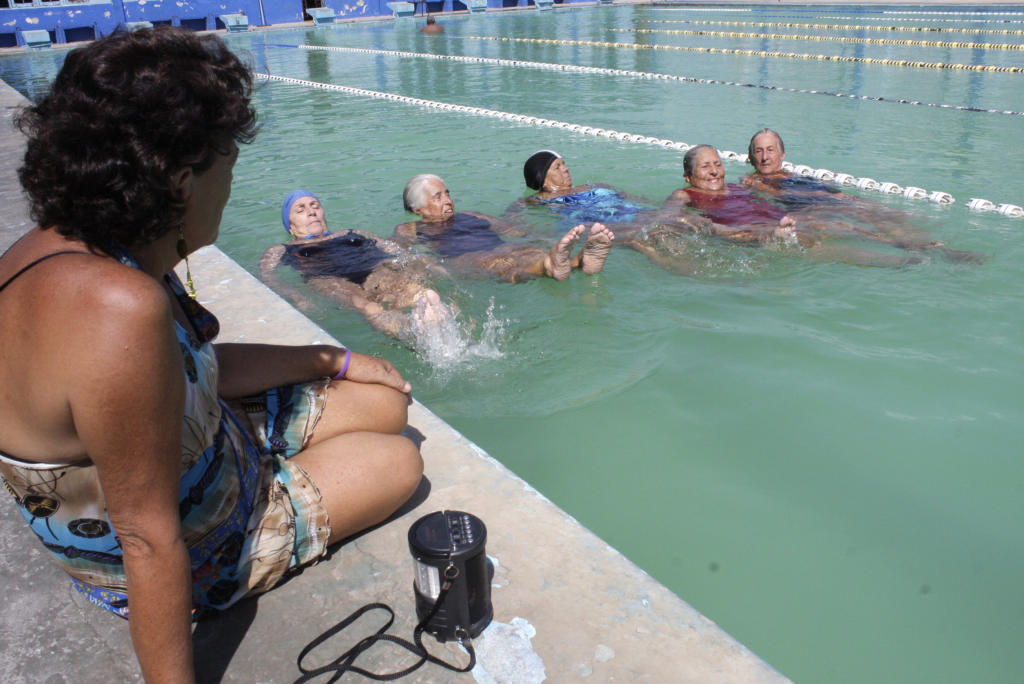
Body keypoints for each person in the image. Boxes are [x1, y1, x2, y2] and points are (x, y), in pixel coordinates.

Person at [0, 27, 422, 681]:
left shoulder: (88, 246)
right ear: (179, 177)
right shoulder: (118, 308)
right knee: (396, 460)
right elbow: (147, 535)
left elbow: (185, 370)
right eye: (227, 158)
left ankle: (295, 449)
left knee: (383, 400)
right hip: (197, 538)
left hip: (205, 447)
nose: (231, 177)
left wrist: (329, 360)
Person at [260, 190, 454, 343]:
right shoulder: (281, 249)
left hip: (374, 270)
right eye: (300, 210)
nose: (311, 212)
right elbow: (267, 276)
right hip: (329, 279)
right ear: (290, 226)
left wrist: (425, 262)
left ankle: (432, 320)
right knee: (369, 307)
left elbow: (391, 247)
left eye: (315, 206)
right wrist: (297, 297)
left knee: (414, 291)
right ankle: (412, 333)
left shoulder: (352, 232)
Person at [395, 173, 613, 281]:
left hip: (501, 248)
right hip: (466, 258)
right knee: (500, 264)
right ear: (418, 209)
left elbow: (513, 231)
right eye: (438, 197)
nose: (448, 200)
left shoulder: (471, 215)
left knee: (526, 251)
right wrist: (433, 267)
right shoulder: (409, 229)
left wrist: (544, 241)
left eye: (448, 193)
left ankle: (577, 261)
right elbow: (398, 254)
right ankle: (557, 265)